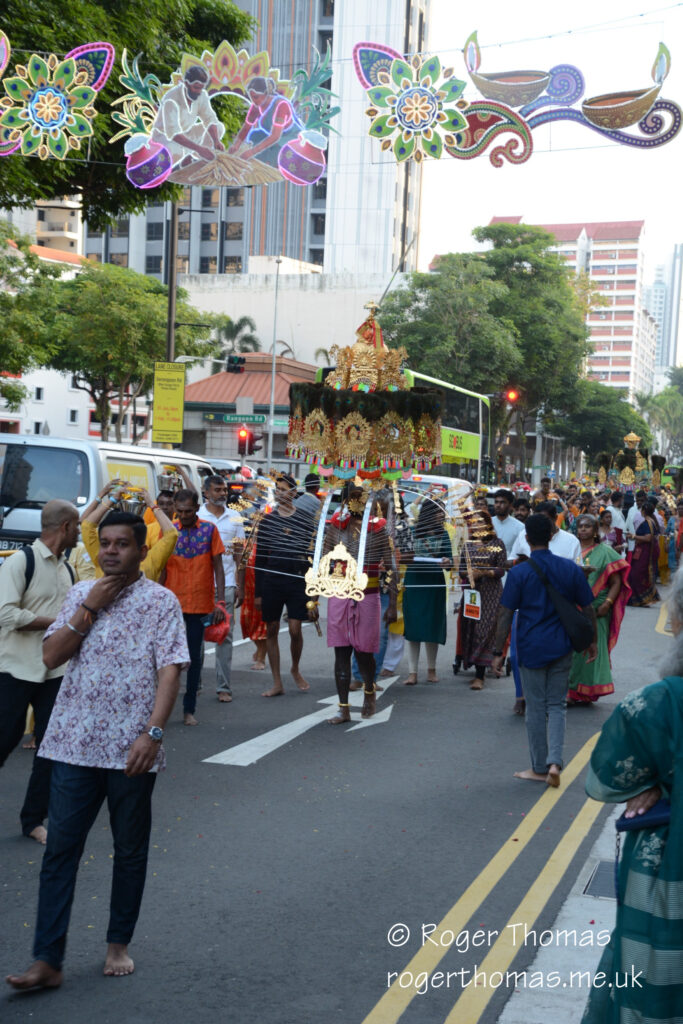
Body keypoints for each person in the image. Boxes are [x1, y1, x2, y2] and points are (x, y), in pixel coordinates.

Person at [6, 511, 189, 991]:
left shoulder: (161, 602)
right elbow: (51, 656)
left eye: (121, 543)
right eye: (104, 543)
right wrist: (89, 608)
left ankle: (117, 945)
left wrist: (153, 733)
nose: (110, 550)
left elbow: (171, 669)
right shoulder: (76, 595)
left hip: (132, 750)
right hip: (71, 745)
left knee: (129, 850)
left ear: (141, 549)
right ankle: (48, 960)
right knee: (60, 853)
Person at [580, 567, 683, 1023]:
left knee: (655, 971)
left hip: (668, 867)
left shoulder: (660, 703)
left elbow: (608, 776)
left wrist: (660, 782)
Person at [491, 514, 597, 787]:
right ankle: (555, 763)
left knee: (536, 708)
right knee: (557, 705)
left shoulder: (520, 572)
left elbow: (505, 613)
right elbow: (588, 608)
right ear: (552, 535)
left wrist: (497, 652)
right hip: (562, 646)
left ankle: (539, 767)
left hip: (530, 647)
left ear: (526, 539)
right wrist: (592, 641)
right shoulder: (570, 569)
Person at [0, 501, 79, 844]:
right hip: (15, 668)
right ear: (64, 527)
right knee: (4, 740)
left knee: (50, 748)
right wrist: (58, 624)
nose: (79, 531)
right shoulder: (23, 562)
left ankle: (33, 820)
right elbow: (5, 614)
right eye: (76, 526)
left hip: (54, 672)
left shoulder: (68, 569)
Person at [324, 486, 397, 723]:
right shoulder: (335, 527)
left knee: (364, 653)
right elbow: (322, 563)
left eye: (359, 499)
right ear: (344, 502)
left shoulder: (378, 529)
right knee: (341, 652)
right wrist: (313, 600)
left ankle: (369, 691)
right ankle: (343, 708)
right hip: (339, 595)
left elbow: (392, 569)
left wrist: (393, 604)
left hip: (368, 595)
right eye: (351, 499)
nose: (355, 504)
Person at [161, 489, 226, 725]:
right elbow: (161, 568)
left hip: (199, 605)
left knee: (194, 660)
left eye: (189, 511)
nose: (184, 515)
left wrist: (220, 601)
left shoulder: (209, 530)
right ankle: (163, 707)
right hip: (172, 605)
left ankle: (189, 709)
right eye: (180, 511)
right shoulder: (168, 531)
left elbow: (218, 566)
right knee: (168, 659)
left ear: (197, 508)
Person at [254, 474, 315, 697]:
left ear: (293, 492)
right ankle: (277, 681)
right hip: (272, 581)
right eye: (277, 489)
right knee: (271, 629)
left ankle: (295, 668)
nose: (279, 493)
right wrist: (258, 593)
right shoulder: (268, 521)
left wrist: (314, 591)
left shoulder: (305, 519)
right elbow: (260, 558)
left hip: (298, 579)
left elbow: (312, 556)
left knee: (294, 629)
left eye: (283, 489)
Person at [566, 514, 631, 704]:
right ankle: (572, 689)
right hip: (574, 608)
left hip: (597, 609)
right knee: (574, 651)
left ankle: (585, 691)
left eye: (587, 526)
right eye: (580, 526)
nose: (583, 529)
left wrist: (607, 604)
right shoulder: (572, 549)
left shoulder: (606, 551)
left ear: (596, 531)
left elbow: (616, 581)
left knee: (592, 647)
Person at [198, 477, 245, 704]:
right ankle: (195, 684)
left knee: (224, 635)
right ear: (205, 492)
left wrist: (240, 585)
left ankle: (223, 687)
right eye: (217, 490)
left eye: (224, 489)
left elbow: (239, 555)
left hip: (226, 585)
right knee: (196, 635)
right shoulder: (197, 516)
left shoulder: (235, 517)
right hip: (200, 586)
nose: (222, 493)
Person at [81, 480, 177, 582]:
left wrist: (152, 505)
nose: (111, 550)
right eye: (105, 543)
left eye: (123, 544)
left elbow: (171, 534)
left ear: (142, 552)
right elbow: (86, 526)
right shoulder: (102, 559)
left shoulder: (149, 562)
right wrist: (111, 499)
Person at [402, 496, 453, 685]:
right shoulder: (412, 532)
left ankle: (432, 670)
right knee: (413, 627)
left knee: (433, 626)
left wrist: (447, 561)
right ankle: (412, 672)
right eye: (439, 511)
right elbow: (401, 557)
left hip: (434, 584)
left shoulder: (444, 534)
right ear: (430, 513)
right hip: (415, 582)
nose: (442, 515)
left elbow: (450, 560)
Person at [456, 509, 507, 690]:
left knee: (485, 630)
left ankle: (480, 676)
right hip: (472, 595)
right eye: (474, 523)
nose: (476, 525)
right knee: (471, 629)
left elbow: (502, 569)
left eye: (480, 522)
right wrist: (470, 574)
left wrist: (484, 572)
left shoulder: (497, 543)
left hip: (491, 594)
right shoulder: (468, 545)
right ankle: (475, 668)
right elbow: (461, 569)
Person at [151, 64, 226, 170]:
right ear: (186, 83)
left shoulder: (202, 94)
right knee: (174, 151)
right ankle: (192, 154)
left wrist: (216, 141)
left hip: (187, 133)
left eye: (201, 88)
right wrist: (199, 149)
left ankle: (197, 156)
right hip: (165, 139)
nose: (198, 91)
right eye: (196, 87)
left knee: (219, 128)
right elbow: (173, 134)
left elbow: (209, 119)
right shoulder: (171, 99)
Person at [228, 75, 303, 166]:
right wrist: (236, 145)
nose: (253, 101)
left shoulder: (281, 105)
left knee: (271, 155)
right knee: (254, 135)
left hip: (288, 139)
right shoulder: (256, 106)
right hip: (273, 138)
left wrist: (252, 152)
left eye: (256, 97)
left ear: (266, 93)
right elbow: (247, 127)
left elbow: (275, 136)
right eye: (251, 97)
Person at [509, 500, 581, 563]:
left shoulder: (572, 541)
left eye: (545, 520)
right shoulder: (524, 534)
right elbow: (512, 560)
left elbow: (579, 569)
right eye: (537, 520)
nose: (540, 523)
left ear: (555, 518)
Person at [628, 499, 661, 606]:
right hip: (646, 550)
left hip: (644, 551)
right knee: (640, 574)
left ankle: (641, 599)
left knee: (636, 574)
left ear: (643, 511)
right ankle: (640, 598)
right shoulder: (651, 521)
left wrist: (633, 536)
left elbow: (648, 538)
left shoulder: (648, 522)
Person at [492, 488, 524, 559]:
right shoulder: (487, 523)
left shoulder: (520, 527)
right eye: (496, 502)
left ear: (510, 505)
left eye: (502, 502)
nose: (498, 505)